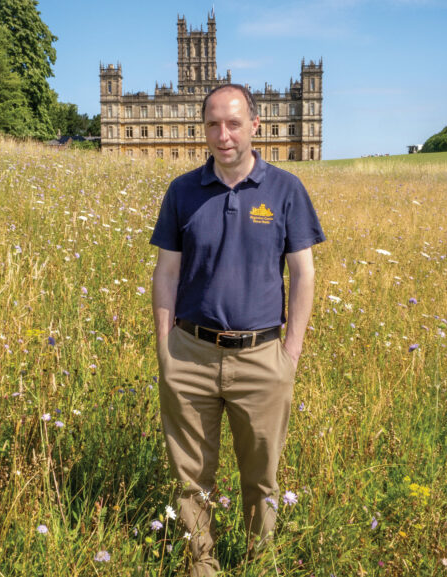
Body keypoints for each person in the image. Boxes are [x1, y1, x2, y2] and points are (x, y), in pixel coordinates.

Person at [150, 83, 325, 576]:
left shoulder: (286, 189)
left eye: (232, 123)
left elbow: (304, 273)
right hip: (189, 354)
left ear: (256, 126)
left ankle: (257, 564)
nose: (222, 135)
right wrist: (166, 349)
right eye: (212, 124)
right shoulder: (183, 190)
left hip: (262, 357)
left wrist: (290, 354)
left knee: (261, 480)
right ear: (201, 128)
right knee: (190, 480)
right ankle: (200, 566)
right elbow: (166, 272)